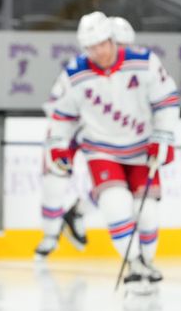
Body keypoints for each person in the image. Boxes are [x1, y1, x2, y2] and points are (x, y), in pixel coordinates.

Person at [44, 12, 178, 289]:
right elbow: (61, 115)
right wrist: (59, 147)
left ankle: (148, 262)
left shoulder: (144, 63)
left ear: (112, 39)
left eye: (102, 44)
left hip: (142, 148)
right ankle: (133, 264)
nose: (98, 52)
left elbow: (166, 101)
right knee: (115, 204)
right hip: (101, 149)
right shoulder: (75, 73)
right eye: (91, 47)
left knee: (148, 212)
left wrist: (163, 139)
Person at [35, 16, 137, 258]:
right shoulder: (78, 69)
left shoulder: (132, 73)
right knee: (55, 182)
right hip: (71, 131)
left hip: (103, 133)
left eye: (124, 47)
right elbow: (55, 105)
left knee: (114, 184)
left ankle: (77, 213)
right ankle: (50, 235)